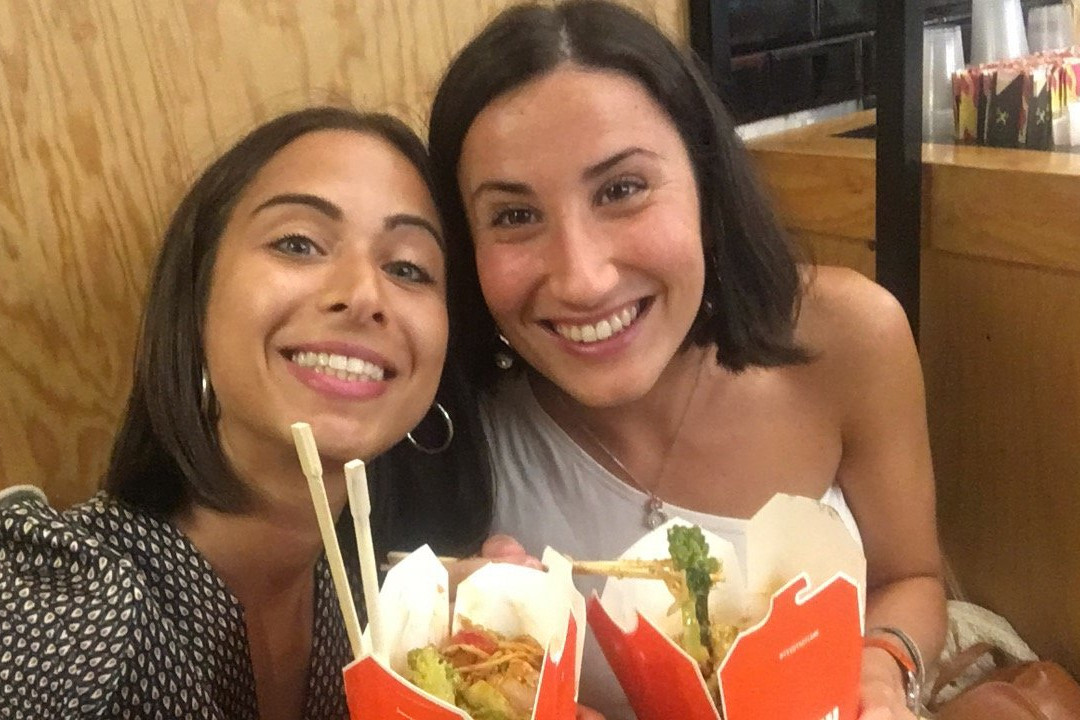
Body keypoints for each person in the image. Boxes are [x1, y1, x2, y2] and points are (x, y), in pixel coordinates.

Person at [427, 2, 947, 719]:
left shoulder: (849, 336)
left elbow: (912, 578)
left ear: (706, 182)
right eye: (515, 216)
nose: (583, 280)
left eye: (622, 190)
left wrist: (882, 665)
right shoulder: (449, 427)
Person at [0, 106, 496, 719]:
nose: (365, 295)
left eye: (407, 268)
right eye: (298, 244)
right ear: (196, 299)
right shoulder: (65, 600)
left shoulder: (371, 602)